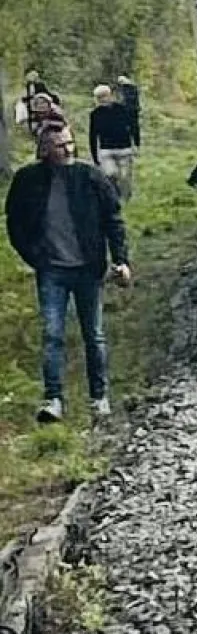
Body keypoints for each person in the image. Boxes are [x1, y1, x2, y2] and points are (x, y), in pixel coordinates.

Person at [4, 121, 131, 423]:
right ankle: (53, 399)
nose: (68, 149)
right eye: (60, 145)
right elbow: (15, 222)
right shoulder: (28, 180)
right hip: (51, 270)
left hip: (88, 269)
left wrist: (121, 260)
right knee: (52, 335)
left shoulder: (90, 176)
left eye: (70, 143)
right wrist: (35, 256)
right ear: (45, 149)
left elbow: (114, 219)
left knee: (94, 335)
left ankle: (99, 398)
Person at [88, 83, 138, 200]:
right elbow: (93, 135)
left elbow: (133, 126)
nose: (103, 99)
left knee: (125, 176)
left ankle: (126, 199)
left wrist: (136, 143)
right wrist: (95, 156)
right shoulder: (95, 114)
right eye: (99, 97)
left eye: (105, 96)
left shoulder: (122, 109)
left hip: (124, 148)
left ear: (110, 95)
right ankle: (114, 196)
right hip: (106, 150)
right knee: (110, 174)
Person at [116, 75, 142, 148]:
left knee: (129, 129)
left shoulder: (125, 89)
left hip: (129, 111)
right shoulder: (133, 88)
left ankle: (132, 144)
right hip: (133, 111)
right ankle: (136, 145)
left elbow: (124, 100)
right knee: (134, 129)